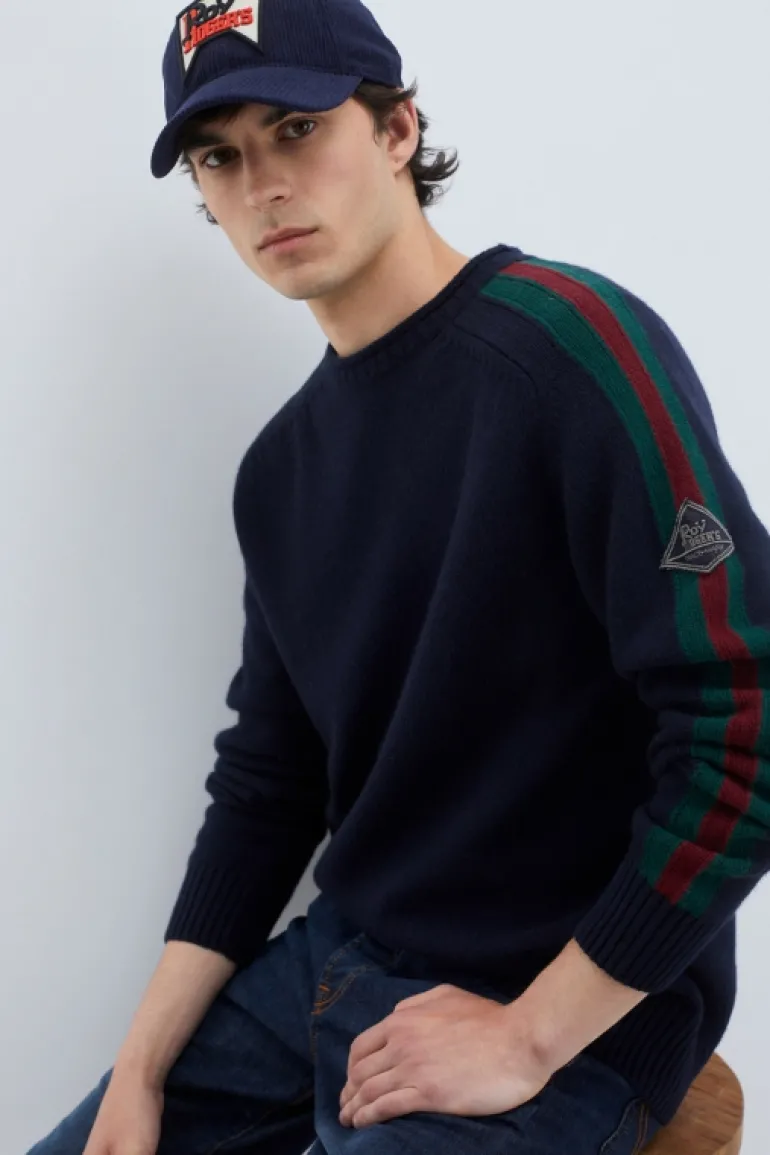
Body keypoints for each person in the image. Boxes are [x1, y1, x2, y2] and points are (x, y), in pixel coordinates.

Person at [26, 0, 770, 1152]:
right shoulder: (280, 472)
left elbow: (745, 712)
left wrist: (527, 1038)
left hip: (563, 1004)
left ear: (395, 130)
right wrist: (138, 1070)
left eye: (296, 129)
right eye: (220, 157)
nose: (264, 186)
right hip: (336, 966)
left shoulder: (571, 352)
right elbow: (268, 783)